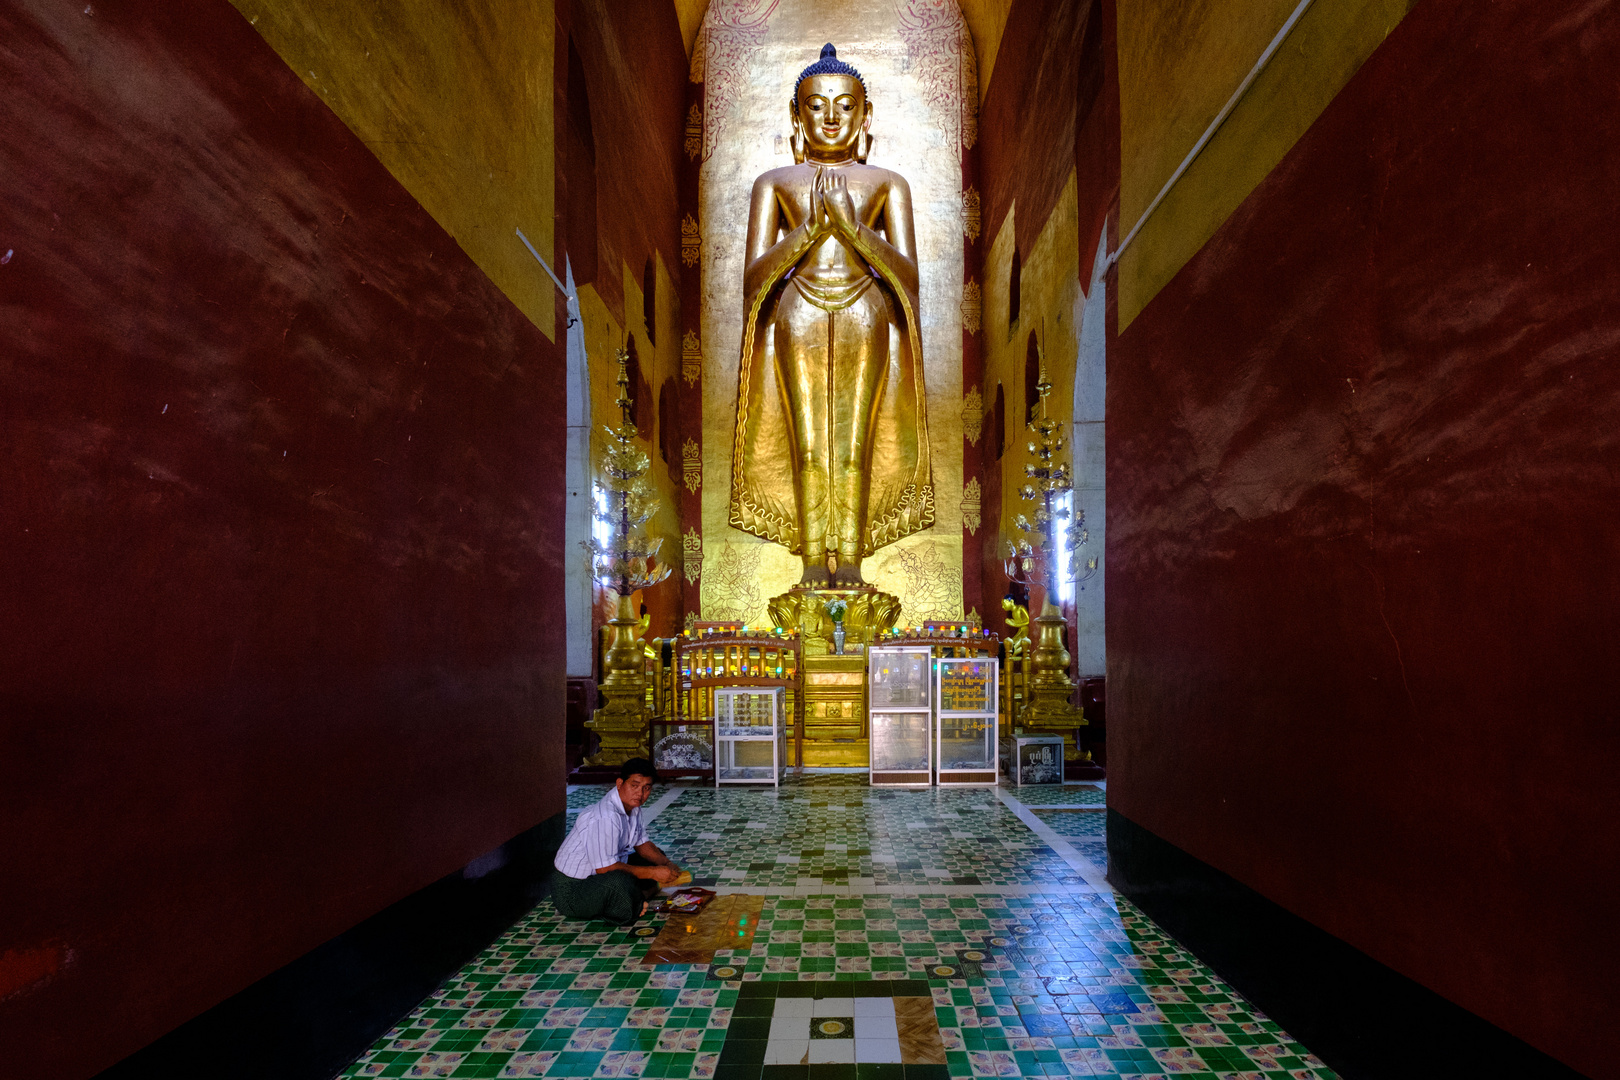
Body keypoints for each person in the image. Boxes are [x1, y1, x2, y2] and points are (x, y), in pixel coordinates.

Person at [729, 43, 933, 588]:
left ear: (865, 115)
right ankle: (814, 562)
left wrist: (853, 229)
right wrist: (807, 234)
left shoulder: (887, 184)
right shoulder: (774, 184)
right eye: (817, 107)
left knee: (854, 444)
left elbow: (910, 281)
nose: (832, 118)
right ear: (797, 117)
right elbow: (752, 283)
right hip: (799, 311)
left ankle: (854, 566)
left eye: (845, 106)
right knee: (808, 442)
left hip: (865, 308)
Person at [550, 758, 684, 925]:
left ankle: (635, 896)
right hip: (574, 891)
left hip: (599, 877)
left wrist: (667, 863)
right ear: (620, 784)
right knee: (620, 882)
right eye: (634, 786)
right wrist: (653, 873)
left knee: (655, 858)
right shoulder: (605, 816)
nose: (640, 793)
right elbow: (605, 869)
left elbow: (642, 845)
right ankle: (633, 900)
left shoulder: (633, 807)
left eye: (646, 788)